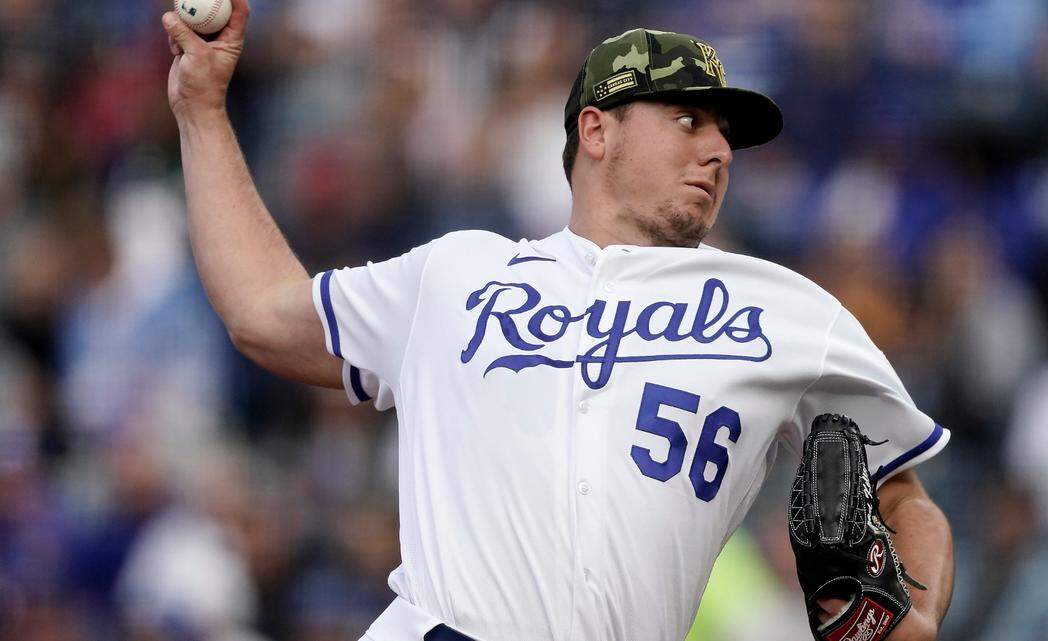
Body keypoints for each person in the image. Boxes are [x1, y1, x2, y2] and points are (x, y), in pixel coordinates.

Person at [161, 3, 954, 640]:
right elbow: (263, 313)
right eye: (687, 119)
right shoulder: (459, 272)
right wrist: (201, 110)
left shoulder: (787, 311)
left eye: (726, 134)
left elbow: (904, 493)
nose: (719, 150)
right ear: (596, 130)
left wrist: (914, 618)